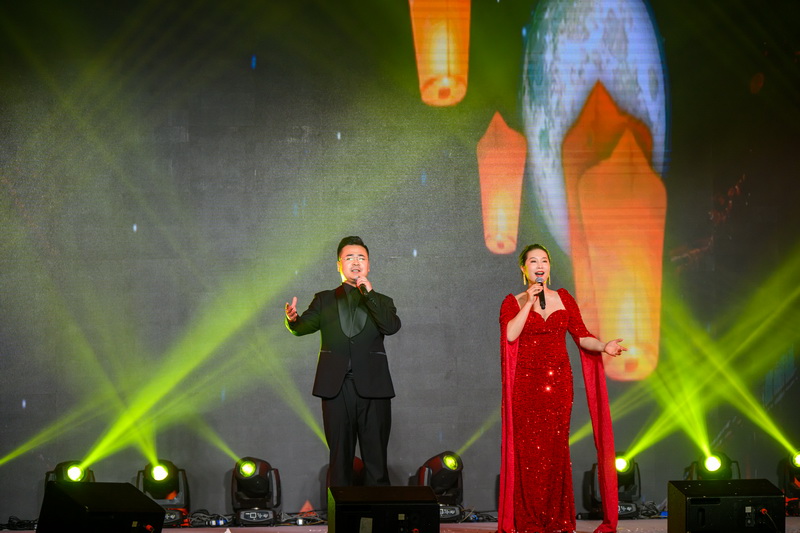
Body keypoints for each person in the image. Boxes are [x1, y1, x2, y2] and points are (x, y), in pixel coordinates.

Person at [498, 243, 625, 533]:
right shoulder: (512, 302)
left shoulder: (564, 298)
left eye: (544, 260)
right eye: (533, 261)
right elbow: (510, 335)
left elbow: (581, 336)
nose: (539, 266)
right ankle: (529, 518)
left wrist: (604, 346)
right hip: (525, 386)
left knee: (556, 451)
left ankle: (556, 518)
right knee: (529, 454)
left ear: (549, 267)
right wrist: (529, 302)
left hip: (558, 384)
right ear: (523, 268)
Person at [284, 236, 401, 487]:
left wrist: (369, 295)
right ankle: (341, 512)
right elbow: (302, 327)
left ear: (368, 264)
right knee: (339, 463)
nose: (356, 263)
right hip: (336, 389)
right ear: (339, 264)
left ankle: (378, 512)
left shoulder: (382, 301)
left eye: (361, 258)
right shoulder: (324, 299)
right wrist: (292, 320)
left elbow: (391, 327)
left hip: (374, 389)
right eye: (349, 258)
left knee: (376, 463)